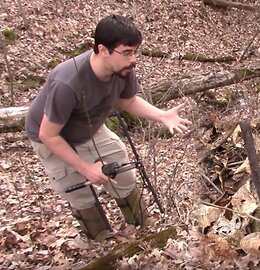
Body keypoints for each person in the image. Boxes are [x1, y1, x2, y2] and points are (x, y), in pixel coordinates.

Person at [25, 14, 192, 241]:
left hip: (91, 127)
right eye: (127, 52)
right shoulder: (67, 81)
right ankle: (101, 238)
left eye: (135, 52)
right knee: (78, 190)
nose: (133, 59)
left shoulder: (122, 69)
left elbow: (128, 100)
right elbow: (48, 134)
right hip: (54, 137)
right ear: (103, 50)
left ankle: (141, 224)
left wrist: (161, 115)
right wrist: (86, 168)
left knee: (122, 171)